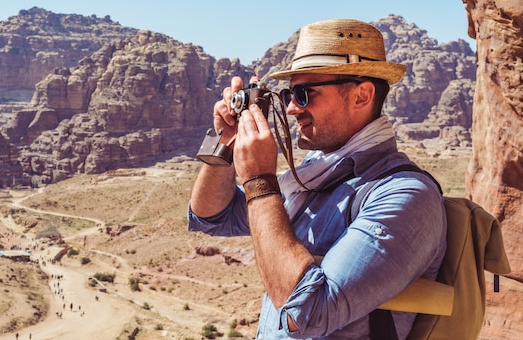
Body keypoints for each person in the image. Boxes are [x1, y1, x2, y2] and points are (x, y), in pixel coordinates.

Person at [188, 19, 447, 339]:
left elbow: (305, 314)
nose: (292, 108)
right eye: (288, 94)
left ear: (362, 96)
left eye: (303, 93)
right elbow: (210, 216)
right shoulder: (313, 175)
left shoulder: (404, 194)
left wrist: (259, 180)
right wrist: (225, 142)